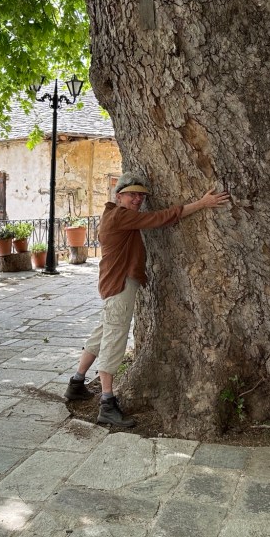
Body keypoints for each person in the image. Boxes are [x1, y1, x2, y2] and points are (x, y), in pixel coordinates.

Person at [64, 172, 230, 426]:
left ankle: (76, 383)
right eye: (132, 195)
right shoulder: (120, 216)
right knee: (114, 341)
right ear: (118, 196)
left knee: (102, 333)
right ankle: (107, 404)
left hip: (114, 285)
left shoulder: (114, 214)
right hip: (120, 286)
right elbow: (159, 219)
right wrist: (202, 203)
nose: (138, 199)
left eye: (141, 196)